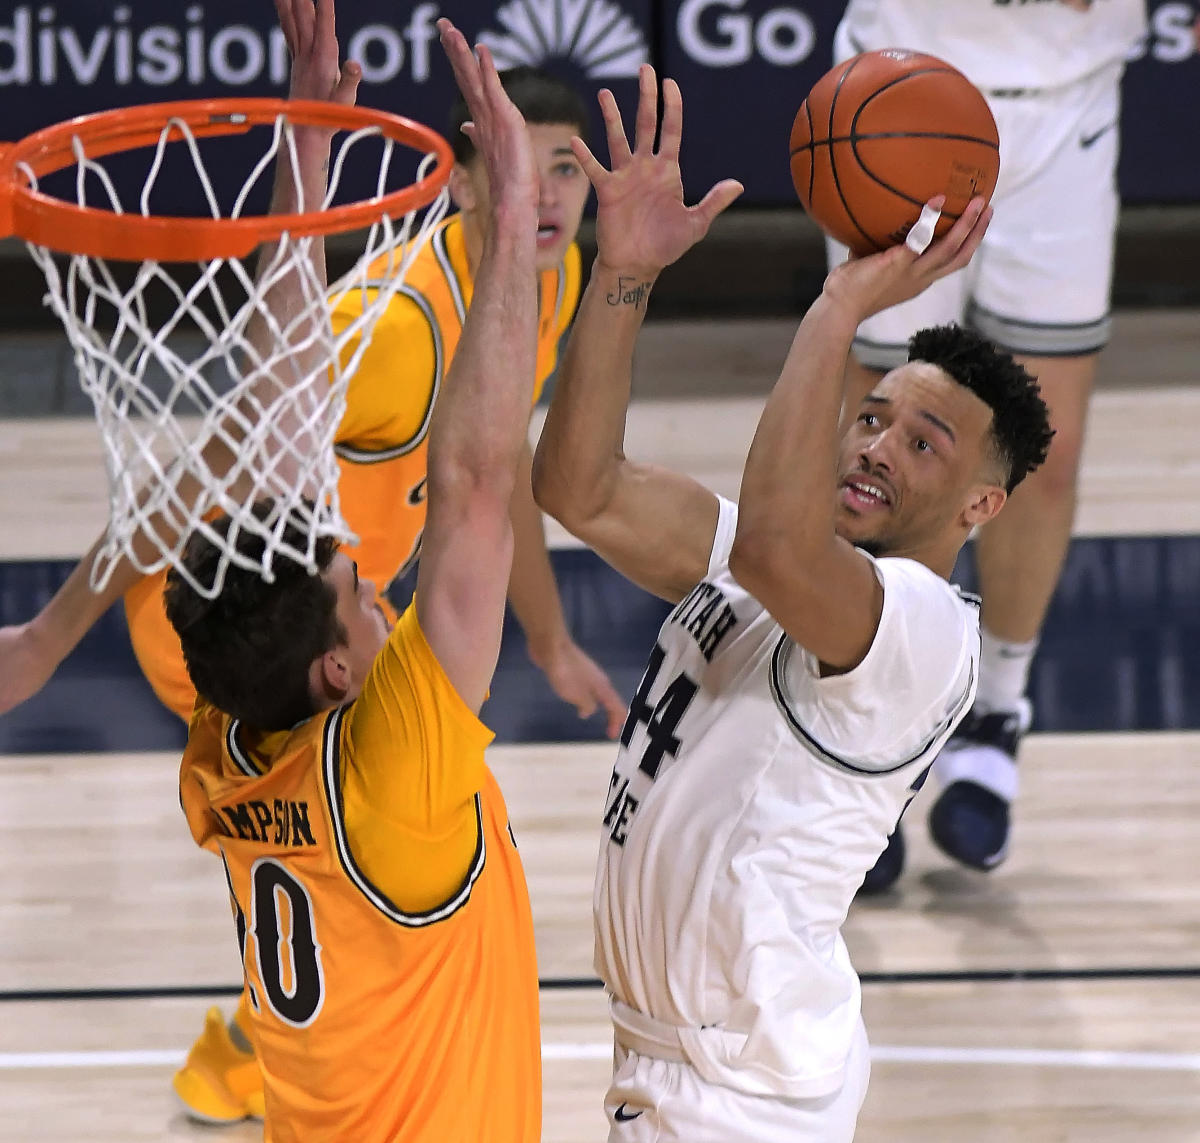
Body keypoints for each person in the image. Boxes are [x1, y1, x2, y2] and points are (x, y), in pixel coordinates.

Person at [0, 13, 624, 1127]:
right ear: (475, 174)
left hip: (289, 619)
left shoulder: (548, 283)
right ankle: (249, 1042)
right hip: (205, 603)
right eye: (539, 166)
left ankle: (254, 1041)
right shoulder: (396, 333)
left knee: (324, 852)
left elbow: (484, 478)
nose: (555, 194)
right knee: (396, 831)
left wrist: (549, 636)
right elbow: (254, 466)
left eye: (572, 168)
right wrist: (48, 641)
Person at [532, 67, 1052, 1139]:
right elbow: (576, 486)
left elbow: (773, 545)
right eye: (871, 418)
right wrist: (623, 272)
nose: (873, 447)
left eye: (922, 443)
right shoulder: (765, 558)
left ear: (981, 502)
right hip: (682, 1067)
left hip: (740, 1099)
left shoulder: (921, 633)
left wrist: (841, 301)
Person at [160, 7, 543, 1139]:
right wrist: (512, 219)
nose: (381, 589)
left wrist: (307, 145)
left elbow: (289, 421)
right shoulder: (389, 768)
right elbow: (474, 488)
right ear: (334, 669)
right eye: (362, 594)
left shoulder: (231, 746)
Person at [828, 0, 1149, 889]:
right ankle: (862, 719)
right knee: (882, 448)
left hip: (1068, 98)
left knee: (1040, 462)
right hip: (903, 84)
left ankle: (998, 709)